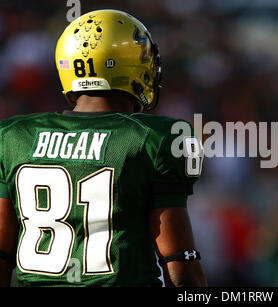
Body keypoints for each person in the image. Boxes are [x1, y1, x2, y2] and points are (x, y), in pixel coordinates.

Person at [0, 9, 206, 287]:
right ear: (135, 66)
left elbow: (2, 253)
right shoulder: (154, 138)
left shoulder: (13, 136)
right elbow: (179, 262)